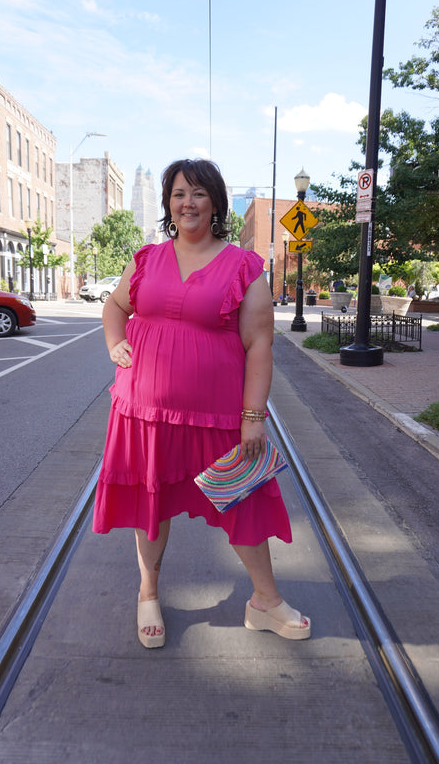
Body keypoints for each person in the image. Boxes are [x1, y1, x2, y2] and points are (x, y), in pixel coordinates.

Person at [93, 158, 310, 648]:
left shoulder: (243, 266)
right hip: (143, 412)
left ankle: (265, 602)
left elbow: (259, 346)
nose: (186, 202)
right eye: (177, 194)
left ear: (215, 202)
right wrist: (114, 342)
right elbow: (115, 306)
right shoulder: (146, 257)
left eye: (197, 193)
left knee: (244, 501)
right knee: (152, 501)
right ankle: (148, 591)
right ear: (168, 204)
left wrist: (253, 417)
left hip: (218, 416)